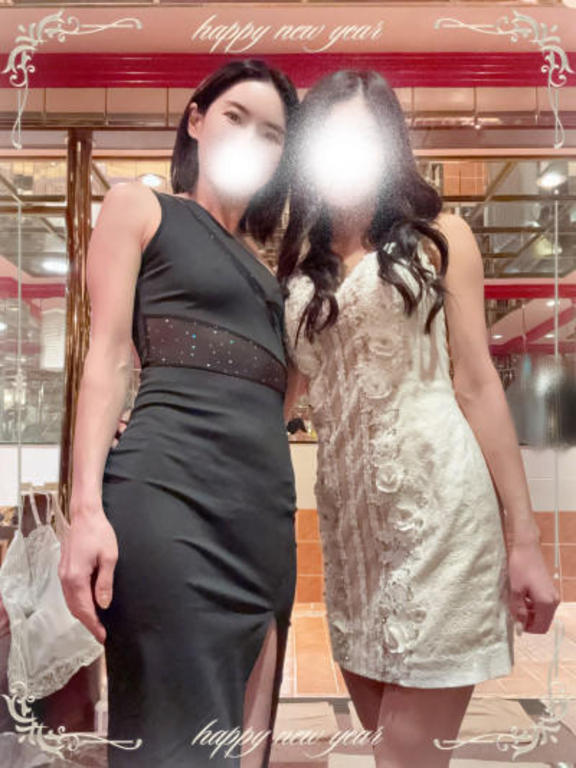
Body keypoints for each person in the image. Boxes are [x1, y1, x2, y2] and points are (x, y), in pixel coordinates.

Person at [278, 69, 560, 768]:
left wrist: (524, 539)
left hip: (440, 520)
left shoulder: (440, 238)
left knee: (406, 758)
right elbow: (279, 401)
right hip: (351, 538)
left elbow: (477, 386)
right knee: (393, 755)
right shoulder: (303, 268)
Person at [58, 59, 299, 768]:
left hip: (264, 518)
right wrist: (84, 509)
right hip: (169, 500)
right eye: (235, 117)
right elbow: (106, 357)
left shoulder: (271, 272)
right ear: (195, 120)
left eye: (272, 133)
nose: (252, 138)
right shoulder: (141, 206)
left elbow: (278, 394)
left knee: (245, 747)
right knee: (175, 748)